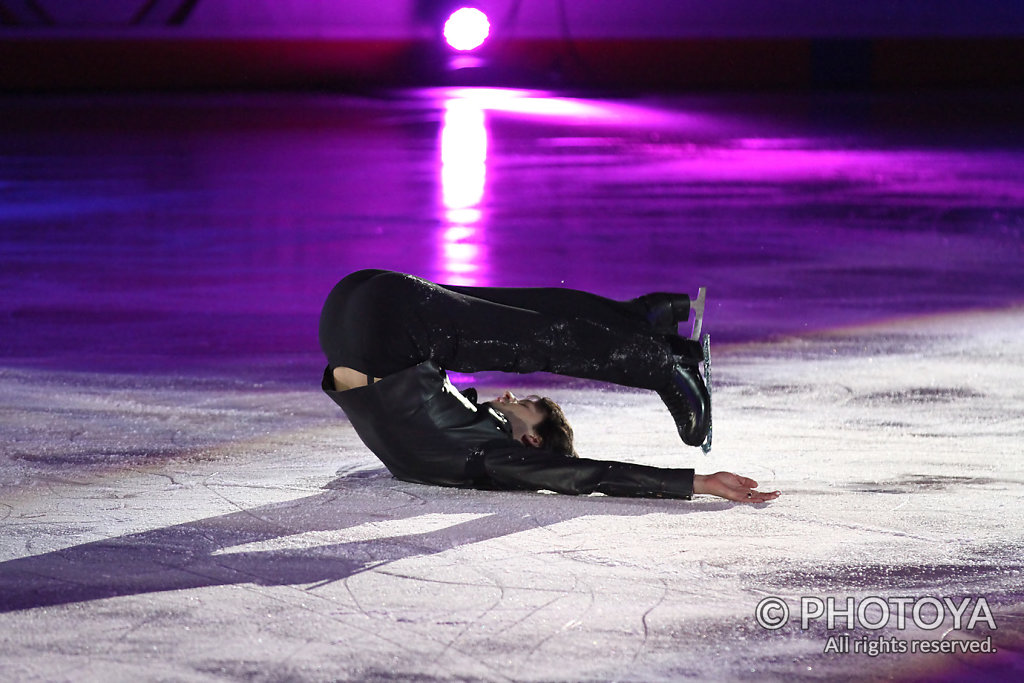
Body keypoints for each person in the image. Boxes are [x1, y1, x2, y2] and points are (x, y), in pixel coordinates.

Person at [319, 269, 779, 503]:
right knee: (520, 318)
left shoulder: (490, 458)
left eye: (524, 405)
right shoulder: (459, 450)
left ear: (533, 441)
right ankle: (641, 321)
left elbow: (587, 475)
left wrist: (696, 484)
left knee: (530, 342)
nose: (507, 397)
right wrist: (696, 484)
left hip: (375, 325)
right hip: (351, 318)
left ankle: (662, 366)